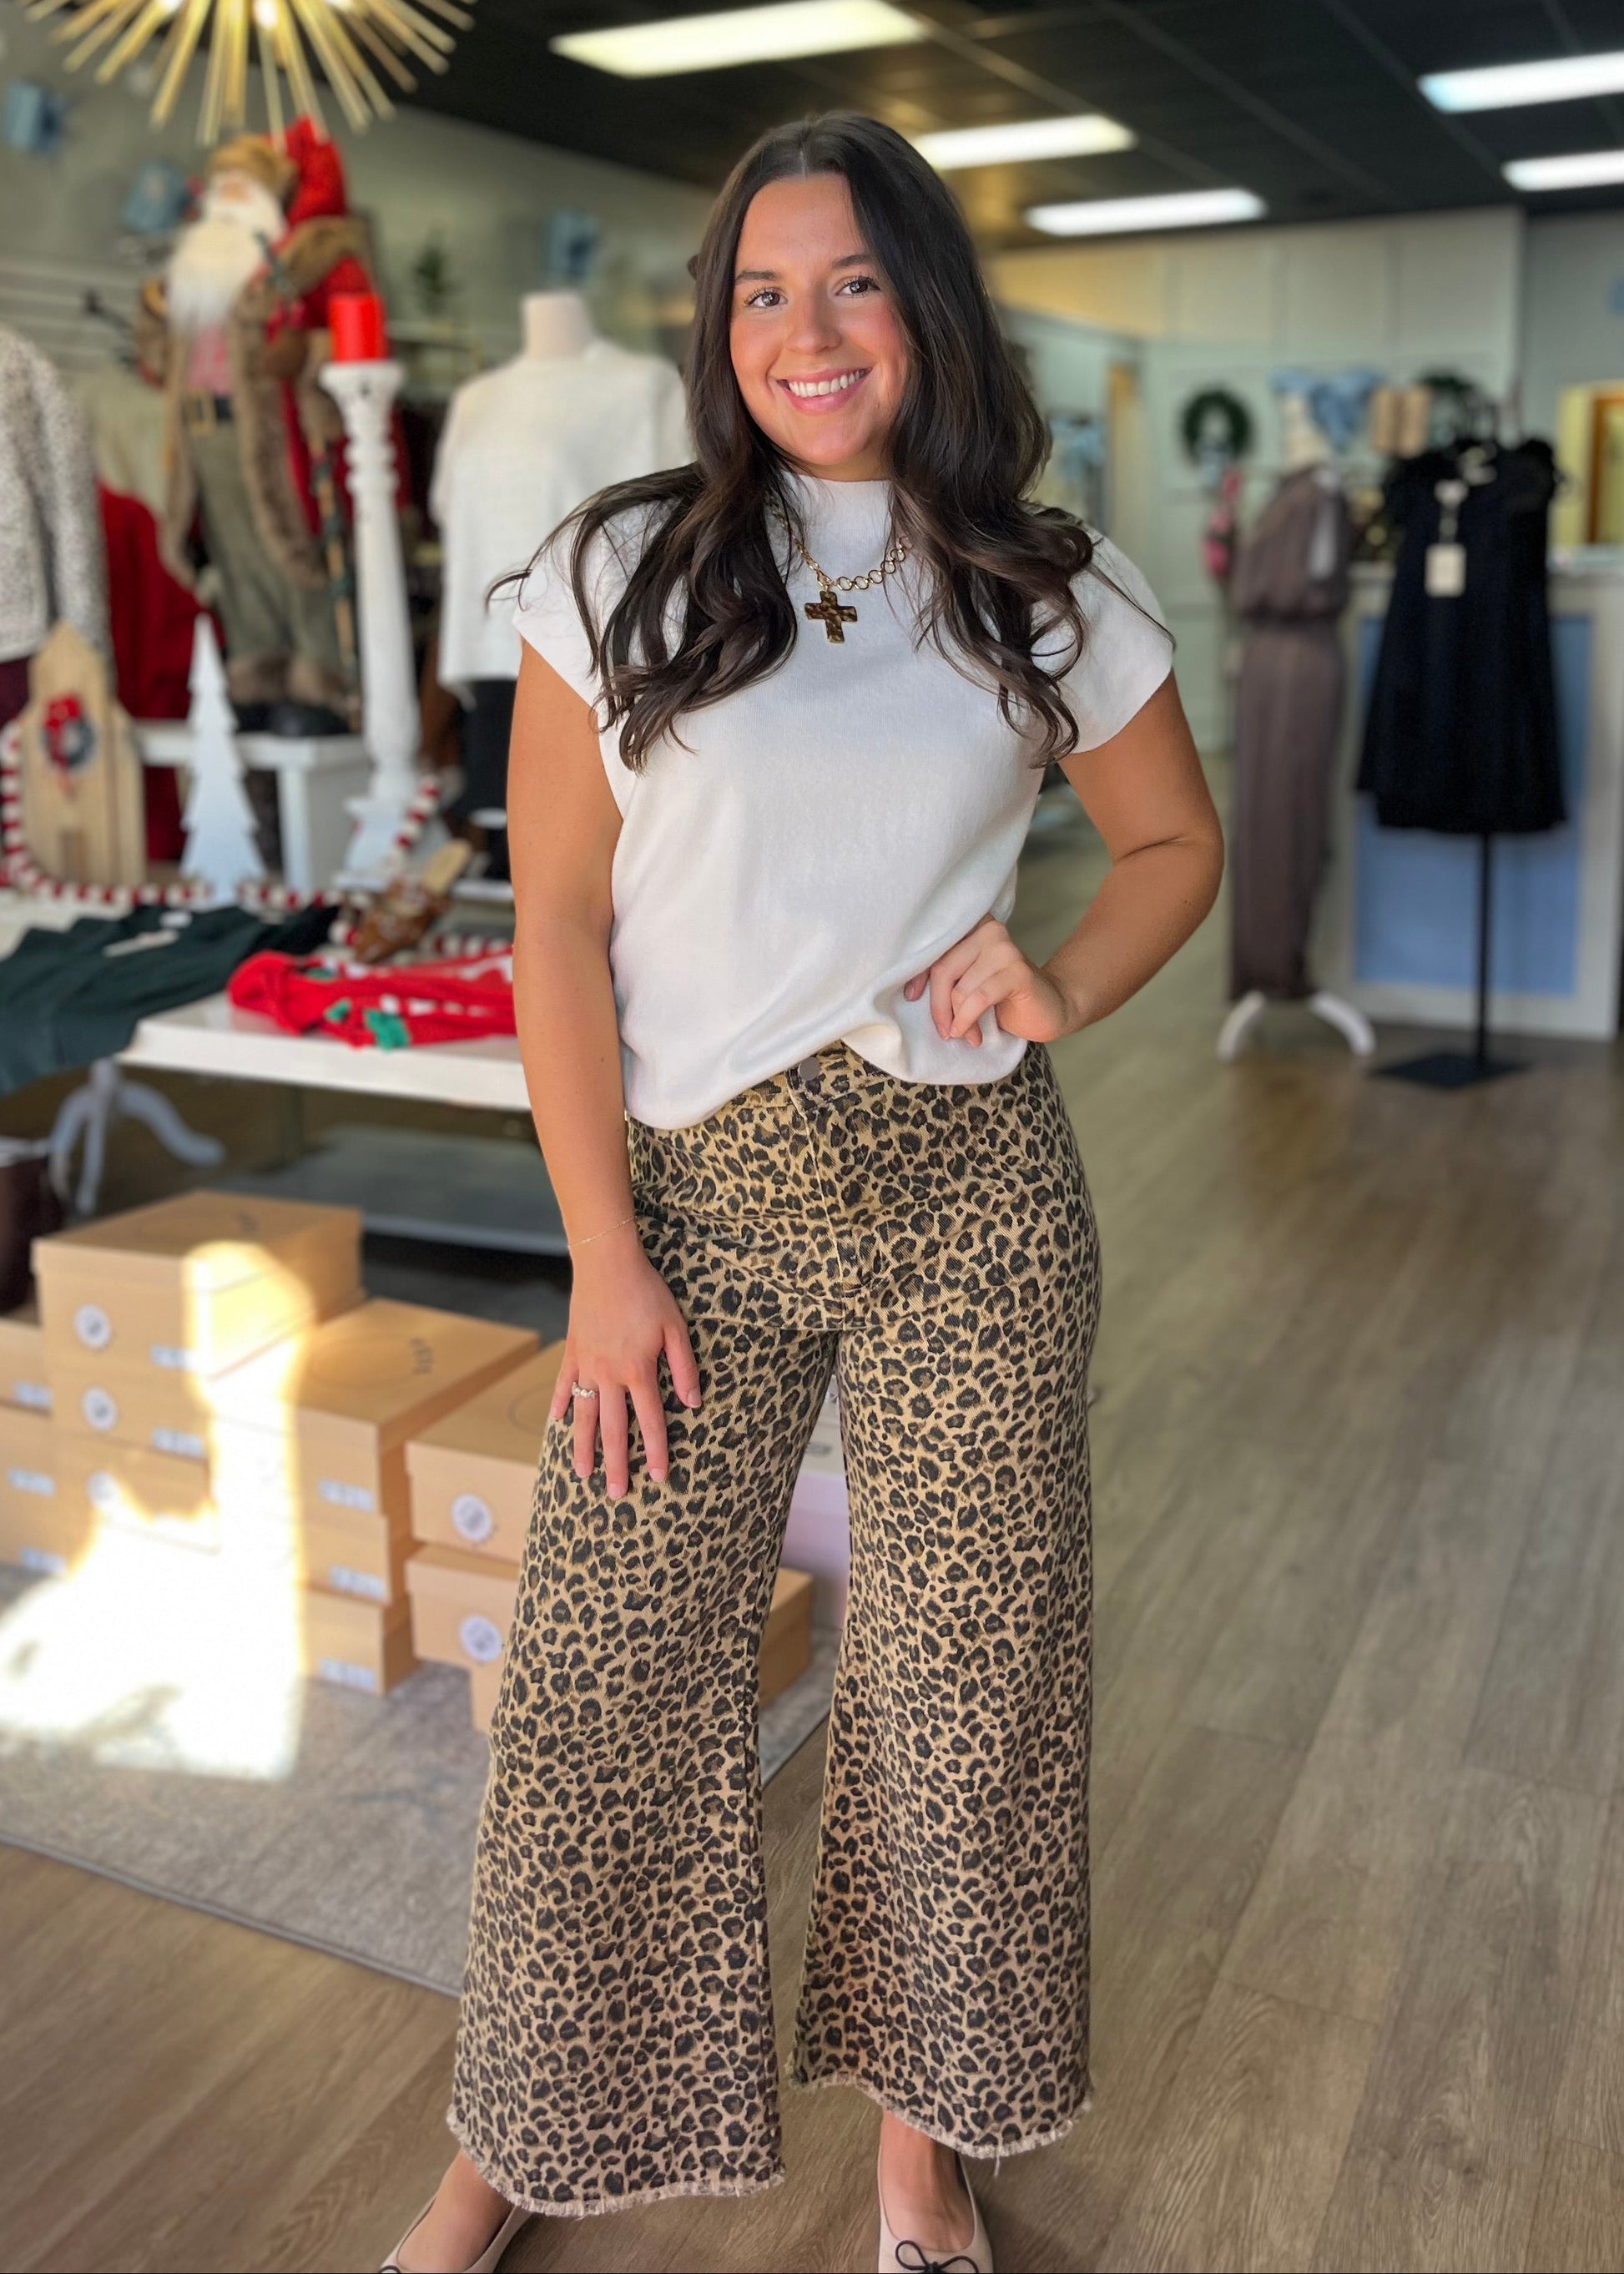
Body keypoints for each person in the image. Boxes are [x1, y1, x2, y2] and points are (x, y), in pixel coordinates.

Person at [382, 112, 1222, 2274]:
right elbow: (548, 930)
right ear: (718, 332)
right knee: (600, 1683)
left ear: (923, 305)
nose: (803, 331)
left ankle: (925, 2155)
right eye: (759, 293)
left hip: (969, 1195)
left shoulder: (1042, 581)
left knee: (968, 1690)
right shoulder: (616, 566)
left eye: (848, 281)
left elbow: (1171, 851)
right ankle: (516, 2141)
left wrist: (1060, 977)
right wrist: (597, 1259)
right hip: (691, 1198)